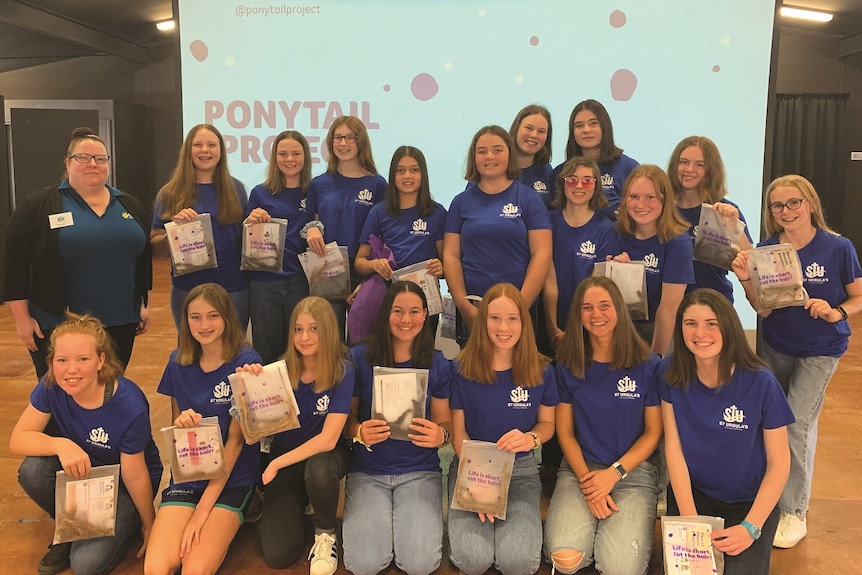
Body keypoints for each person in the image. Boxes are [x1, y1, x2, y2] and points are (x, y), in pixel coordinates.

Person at [731, 174, 862, 548]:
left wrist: (837, 310)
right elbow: (765, 311)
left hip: (822, 349)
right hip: (777, 345)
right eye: (778, 205)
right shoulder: (768, 249)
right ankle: (770, 490)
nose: (786, 211)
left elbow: (858, 296)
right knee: (773, 421)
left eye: (794, 202)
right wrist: (745, 282)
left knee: (796, 422)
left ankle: (794, 511)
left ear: (810, 204)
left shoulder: (837, 247)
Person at [10, 312, 162, 575]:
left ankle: (117, 523)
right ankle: (69, 526)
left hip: (124, 486)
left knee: (86, 565)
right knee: (32, 470)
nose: (71, 370)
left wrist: (149, 524)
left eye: (83, 359)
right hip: (84, 474)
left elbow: (135, 474)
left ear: (101, 360)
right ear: (52, 361)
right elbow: (18, 439)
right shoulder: (51, 386)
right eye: (61, 360)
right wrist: (61, 445)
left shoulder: (128, 405)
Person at [659, 289, 794, 574]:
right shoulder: (669, 372)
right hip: (695, 495)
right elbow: (673, 448)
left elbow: (780, 464)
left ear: (729, 326)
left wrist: (750, 527)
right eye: (690, 323)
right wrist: (691, 520)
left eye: (712, 323)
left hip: (749, 503)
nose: (700, 333)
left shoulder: (761, 382)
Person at [3, 127, 151, 378]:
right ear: (68, 162)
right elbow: (14, 263)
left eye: (100, 159)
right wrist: (22, 319)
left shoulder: (129, 204)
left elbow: (141, 258)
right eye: (83, 157)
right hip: (58, 323)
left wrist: (143, 303)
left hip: (120, 320)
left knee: (109, 390)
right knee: (62, 395)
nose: (92, 164)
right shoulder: (39, 206)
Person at [544, 277, 662, 575]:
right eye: (587, 308)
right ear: (578, 315)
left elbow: (653, 432)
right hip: (580, 471)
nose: (596, 315)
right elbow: (565, 433)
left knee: (619, 568)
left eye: (604, 306)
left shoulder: (648, 364)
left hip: (632, 473)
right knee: (565, 561)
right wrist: (590, 484)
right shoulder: (568, 365)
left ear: (619, 309)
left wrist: (613, 474)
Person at [144, 284, 261, 575]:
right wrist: (183, 425)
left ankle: (249, 504)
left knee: (194, 570)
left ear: (227, 318)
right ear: (186, 321)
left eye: (213, 316)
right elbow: (176, 433)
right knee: (157, 568)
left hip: (231, 479)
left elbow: (236, 444)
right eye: (195, 317)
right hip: (190, 476)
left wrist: (201, 514)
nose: (204, 325)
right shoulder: (177, 362)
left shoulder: (247, 364)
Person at [343, 281, 452, 575]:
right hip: (368, 472)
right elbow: (346, 420)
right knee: (364, 564)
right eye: (398, 311)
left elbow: (445, 423)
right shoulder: (360, 357)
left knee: (420, 564)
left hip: (420, 471)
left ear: (426, 314)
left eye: (415, 311)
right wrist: (358, 431)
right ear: (385, 314)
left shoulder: (438, 363)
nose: (406, 320)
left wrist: (441, 435)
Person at [447, 283, 558, 575]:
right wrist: (479, 486)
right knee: (473, 560)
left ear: (524, 322)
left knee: (518, 561)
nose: (503, 327)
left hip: (520, 472)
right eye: (494, 318)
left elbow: (547, 425)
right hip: (471, 470)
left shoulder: (543, 370)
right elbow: (458, 436)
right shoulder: (460, 368)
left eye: (512, 318)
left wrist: (531, 438)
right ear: (482, 321)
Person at [255, 296, 353, 575]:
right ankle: (301, 498)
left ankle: (325, 533)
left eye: (313, 328)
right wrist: (249, 388)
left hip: (326, 455)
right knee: (278, 554)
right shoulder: (279, 370)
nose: (305, 337)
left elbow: (329, 440)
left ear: (328, 331)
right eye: (298, 329)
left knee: (319, 469)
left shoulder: (343, 371)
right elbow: (255, 432)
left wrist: (275, 464)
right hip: (286, 455)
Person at [443, 126, 552, 347]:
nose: (489, 156)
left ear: (510, 154)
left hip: (521, 309)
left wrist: (519, 308)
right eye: (482, 151)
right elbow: (451, 256)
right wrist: (464, 307)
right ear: (473, 158)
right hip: (473, 308)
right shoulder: (460, 202)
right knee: (475, 377)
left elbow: (542, 254)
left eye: (497, 150)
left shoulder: (529, 199)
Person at [150, 124, 249, 331]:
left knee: (234, 353)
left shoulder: (237, 189)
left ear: (221, 151)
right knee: (191, 354)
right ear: (188, 150)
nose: (205, 150)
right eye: (198, 145)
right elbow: (155, 248)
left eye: (212, 145)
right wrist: (174, 232)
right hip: (188, 289)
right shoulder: (170, 193)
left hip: (233, 288)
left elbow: (244, 239)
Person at [306, 116, 387, 337]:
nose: (343, 143)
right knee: (328, 339)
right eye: (338, 137)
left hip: (363, 271)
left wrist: (370, 280)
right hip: (327, 267)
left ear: (361, 142)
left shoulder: (378, 185)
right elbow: (313, 225)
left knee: (361, 341)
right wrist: (310, 230)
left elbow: (383, 238)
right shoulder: (319, 184)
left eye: (350, 137)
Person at [354, 146, 446, 337]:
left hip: (425, 303)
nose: (407, 176)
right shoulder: (379, 212)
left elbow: (446, 263)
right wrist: (375, 264)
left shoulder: (437, 213)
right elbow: (359, 263)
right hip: (389, 303)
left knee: (422, 360)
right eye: (400, 170)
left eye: (414, 169)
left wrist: (441, 268)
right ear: (392, 175)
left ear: (423, 174)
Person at [244, 130, 315, 363]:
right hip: (265, 282)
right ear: (274, 157)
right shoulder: (259, 193)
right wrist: (250, 222)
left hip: (301, 280)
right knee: (266, 347)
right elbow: (245, 240)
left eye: (296, 153)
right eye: (283, 154)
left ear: (305, 156)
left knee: (299, 347)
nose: (290, 159)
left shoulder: (314, 191)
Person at [614, 164, 693, 356]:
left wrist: (655, 358)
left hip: (660, 331)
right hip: (621, 327)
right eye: (634, 197)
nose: (640, 205)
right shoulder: (617, 232)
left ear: (665, 200)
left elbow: (669, 308)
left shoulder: (677, 242)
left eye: (650, 197)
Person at [543, 157, 620, 348]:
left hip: (588, 327)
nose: (579, 185)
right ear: (562, 183)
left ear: (596, 186)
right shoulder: (547, 223)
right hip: (547, 322)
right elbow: (547, 277)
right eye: (572, 179)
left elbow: (595, 288)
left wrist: (575, 332)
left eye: (587, 180)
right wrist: (552, 327)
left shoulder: (606, 230)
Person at [667, 136, 752, 301]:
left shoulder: (725, 210)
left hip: (715, 302)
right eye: (683, 162)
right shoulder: (662, 209)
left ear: (711, 170)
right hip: (670, 306)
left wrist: (733, 226)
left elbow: (750, 264)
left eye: (700, 164)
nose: (689, 169)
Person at [553, 99, 638, 220]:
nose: (586, 130)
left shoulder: (629, 168)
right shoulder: (559, 173)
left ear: (605, 126)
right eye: (579, 125)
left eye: (593, 123)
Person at [508, 104, 554, 208]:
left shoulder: (547, 171)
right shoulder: (495, 167)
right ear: (516, 129)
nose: (534, 135)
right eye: (529, 128)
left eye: (541, 131)